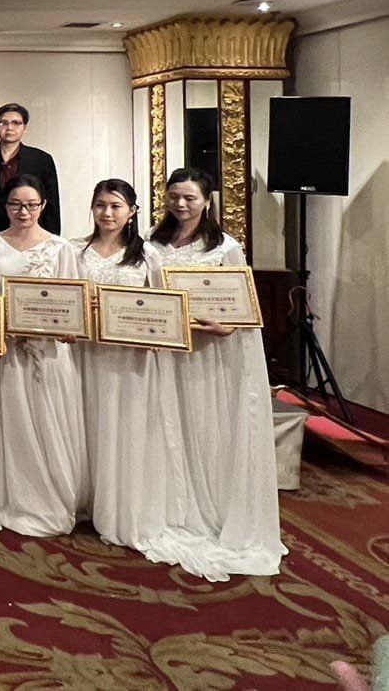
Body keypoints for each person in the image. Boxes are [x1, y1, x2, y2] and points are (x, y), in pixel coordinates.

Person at [144, 166, 284, 579]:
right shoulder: (152, 242)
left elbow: (243, 304)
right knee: (169, 423)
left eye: (190, 197)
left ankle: (213, 508)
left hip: (211, 352)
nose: (181, 204)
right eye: (174, 196)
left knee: (209, 424)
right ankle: (172, 507)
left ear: (207, 202)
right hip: (169, 350)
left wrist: (229, 326)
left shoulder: (225, 246)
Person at [74, 179, 183, 561]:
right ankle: (89, 500)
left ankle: (123, 507)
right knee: (89, 424)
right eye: (101, 205)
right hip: (87, 355)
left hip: (131, 357)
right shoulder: (75, 251)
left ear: (132, 212)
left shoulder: (147, 256)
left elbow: (164, 306)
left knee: (128, 427)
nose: (107, 213)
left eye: (116, 206)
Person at [0, 174, 88, 537]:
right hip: (7, 353)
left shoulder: (60, 248)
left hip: (48, 352)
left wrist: (65, 327)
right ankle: (10, 496)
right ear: (5, 206)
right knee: (10, 424)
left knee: (47, 423)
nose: (23, 211)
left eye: (31, 205)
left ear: (43, 206)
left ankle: (50, 498)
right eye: (15, 204)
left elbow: (71, 301)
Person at [0, 103, 61, 238]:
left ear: (24, 128)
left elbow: (51, 204)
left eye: (16, 123)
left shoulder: (41, 159)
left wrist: (52, 238)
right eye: (3, 123)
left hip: (30, 233)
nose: (9, 128)